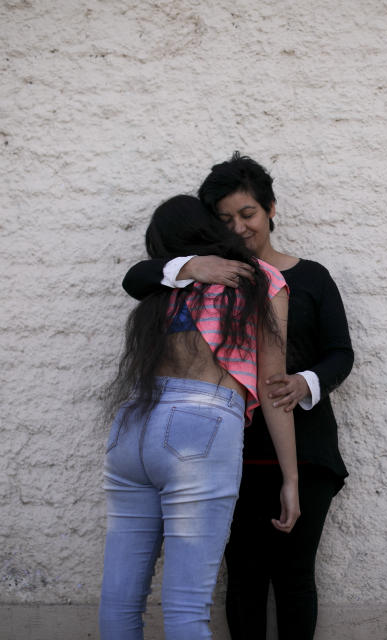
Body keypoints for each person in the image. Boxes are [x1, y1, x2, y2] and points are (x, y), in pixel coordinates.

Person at [122, 153, 353, 640]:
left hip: (302, 449)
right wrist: (193, 264)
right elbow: (138, 279)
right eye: (225, 219)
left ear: (270, 208)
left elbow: (340, 353)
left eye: (247, 213)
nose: (240, 227)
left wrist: (304, 382)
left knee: (294, 578)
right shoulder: (203, 278)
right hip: (230, 451)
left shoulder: (309, 276)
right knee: (243, 578)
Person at [100, 194, 300, 640]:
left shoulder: (161, 286)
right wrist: (291, 477)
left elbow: (136, 276)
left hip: (131, 426)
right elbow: (272, 387)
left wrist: (184, 267)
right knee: (187, 609)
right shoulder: (259, 280)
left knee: (119, 601)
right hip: (198, 428)